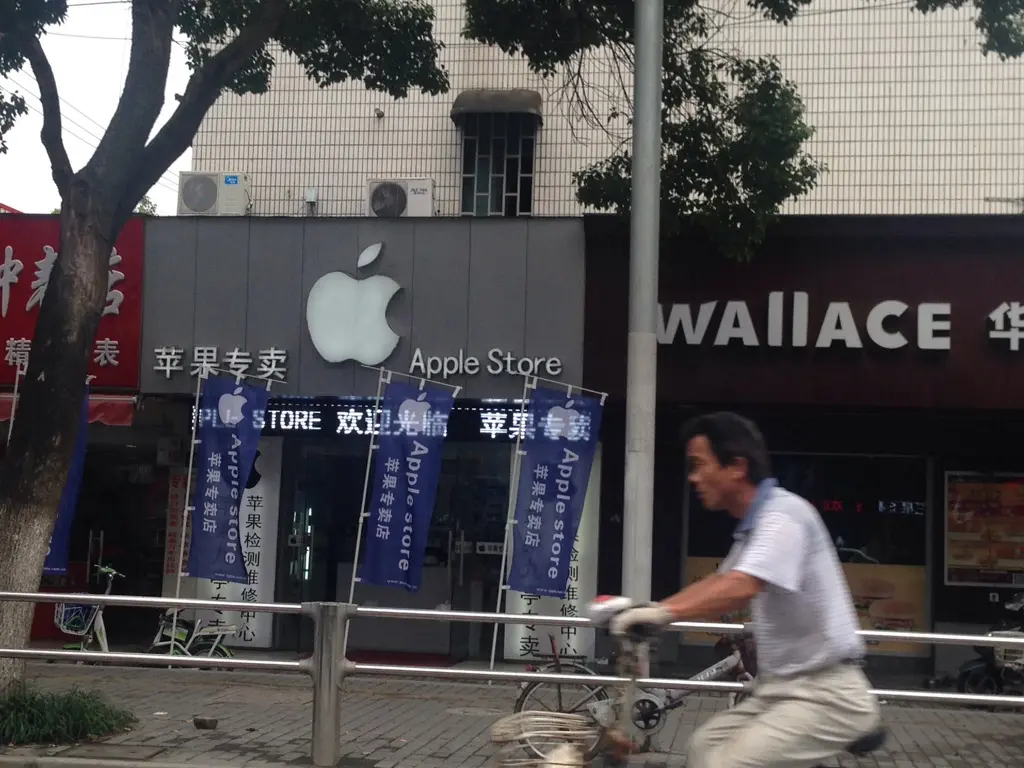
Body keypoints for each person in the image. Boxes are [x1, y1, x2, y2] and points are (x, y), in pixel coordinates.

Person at [607, 411, 881, 768]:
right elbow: (718, 585)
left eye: (698, 465)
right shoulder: (750, 532)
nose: (693, 477)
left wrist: (659, 614)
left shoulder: (785, 516)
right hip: (778, 690)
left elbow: (741, 585)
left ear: (736, 466)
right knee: (703, 749)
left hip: (826, 695)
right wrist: (646, 612)